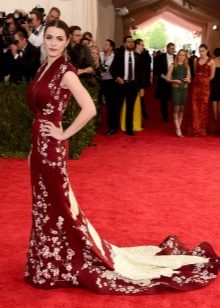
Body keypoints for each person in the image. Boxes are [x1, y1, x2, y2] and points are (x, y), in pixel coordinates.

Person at [25, 20, 220, 293]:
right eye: (49, 37)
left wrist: (63, 134)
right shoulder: (43, 67)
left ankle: (56, 262)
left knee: (59, 207)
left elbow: (89, 109)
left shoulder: (65, 71)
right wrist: (34, 149)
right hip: (40, 147)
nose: (53, 43)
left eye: (59, 38)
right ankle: (47, 260)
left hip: (52, 149)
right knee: (44, 207)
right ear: (43, 39)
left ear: (68, 42)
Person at [110, 36, 145, 135]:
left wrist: (141, 87)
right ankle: (114, 128)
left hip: (133, 85)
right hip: (121, 84)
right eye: (129, 42)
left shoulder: (137, 56)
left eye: (132, 42)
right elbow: (112, 69)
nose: (131, 44)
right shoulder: (119, 55)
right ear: (125, 43)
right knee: (117, 107)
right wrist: (117, 78)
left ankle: (129, 129)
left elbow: (141, 73)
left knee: (130, 107)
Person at [191, 44, 215, 136]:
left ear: (207, 50)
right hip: (196, 87)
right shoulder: (195, 60)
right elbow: (195, 73)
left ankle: (202, 129)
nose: (201, 53)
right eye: (200, 51)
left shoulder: (211, 61)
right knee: (194, 107)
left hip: (205, 88)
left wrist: (205, 81)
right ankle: (195, 129)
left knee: (203, 108)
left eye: (203, 51)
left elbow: (212, 75)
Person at [166, 49, 191, 137]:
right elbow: (167, 78)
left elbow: (190, 79)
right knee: (176, 109)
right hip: (176, 90)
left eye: (183, 55)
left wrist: (188, 80)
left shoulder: (187, 66)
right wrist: (174, 80)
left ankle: (178, 127)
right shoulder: (173, 65)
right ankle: (178, 129)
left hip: (184, 90)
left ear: (185, 57)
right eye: (180, 55)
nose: (181, 57)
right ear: (177, 56)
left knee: (182, 109)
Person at [154, 42, 175, 122]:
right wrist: (166, 77)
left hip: (174, 82)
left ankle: (174, 115)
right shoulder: (160, 58)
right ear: (167, 48)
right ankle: (165, 116)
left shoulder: (176, 57)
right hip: (163, 83)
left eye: (173, 48)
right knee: (164, 101)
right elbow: (157, 72)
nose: (173, 50)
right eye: (171, 48)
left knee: (174, 100)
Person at [210, 47, 220, 121]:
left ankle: (215, 117)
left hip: (213, 83)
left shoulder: (212, 61)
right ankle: (219, 117)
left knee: (214, 100)